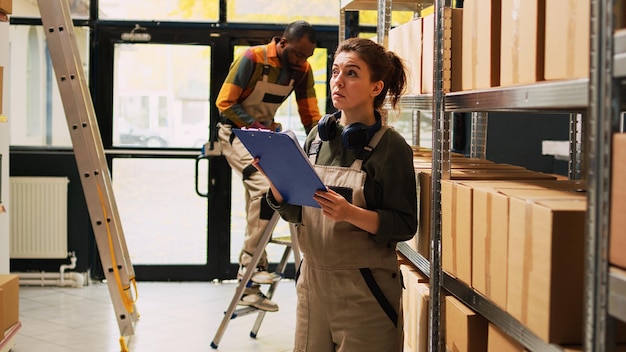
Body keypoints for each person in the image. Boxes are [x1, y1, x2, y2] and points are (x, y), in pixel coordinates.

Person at [256, 37, 418, 351]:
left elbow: (403, 225)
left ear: (376, 87)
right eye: (334, 72)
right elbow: (298, 212)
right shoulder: (317, 137)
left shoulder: (392, 148)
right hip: (312, 286)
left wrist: (349, 213)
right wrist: (276, 182)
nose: (338, 81)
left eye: (352, 73)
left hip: (365, 291)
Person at [215, 20, 321, 312]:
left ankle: (252, 277)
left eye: (308, 56)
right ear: (284, 43)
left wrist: (322, 143)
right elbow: (224, 102)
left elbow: (310, 113)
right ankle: (249, 277)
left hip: (266, 135)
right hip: (235, 133)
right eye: (299, 54)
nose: (302, 61)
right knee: (265, 189)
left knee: (263, 195)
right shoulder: (253, 58)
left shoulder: (302, 71)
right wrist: (257, 127)